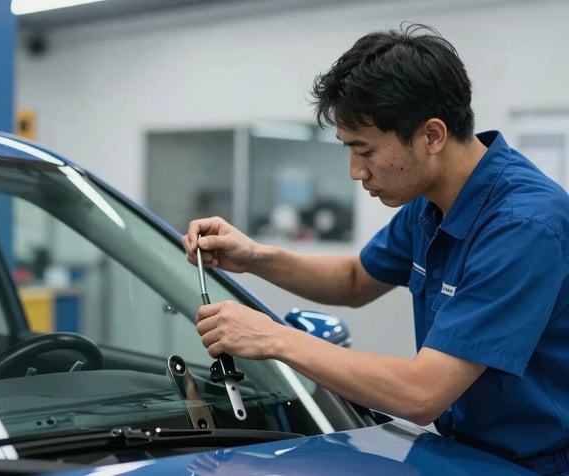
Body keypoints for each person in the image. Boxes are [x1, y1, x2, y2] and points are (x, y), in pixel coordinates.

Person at [181, 23, 569, 475]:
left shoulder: (523, 227)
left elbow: (421, 394)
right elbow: (355, 280)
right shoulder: (432, 203)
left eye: (364, 151)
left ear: (432, 136)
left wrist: (272, 336)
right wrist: (254, 257)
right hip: (467, 451)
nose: (354, 172)